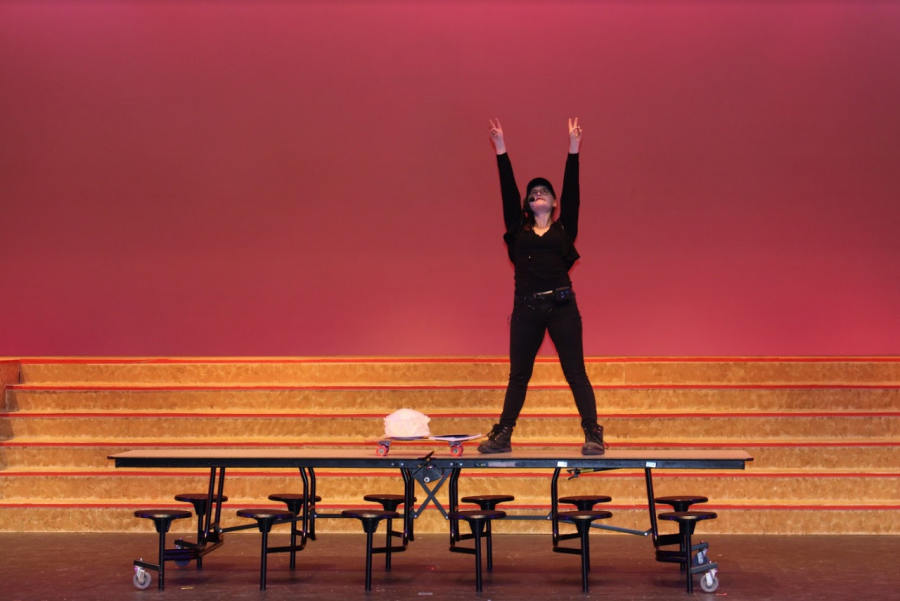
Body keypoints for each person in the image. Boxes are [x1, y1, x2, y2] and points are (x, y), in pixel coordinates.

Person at [477, 118, 606, 456]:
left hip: (563, 308)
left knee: (575, 372)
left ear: (553, 202)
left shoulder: (565, 229)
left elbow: (573, 193)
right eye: (533, 194)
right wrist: (501, 148)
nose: (538, 195)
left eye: (544, 192)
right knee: (518, 375)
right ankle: (503, 435)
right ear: (527, 204)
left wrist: (573, 150)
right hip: (526, 310)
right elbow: (508, 189)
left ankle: (593, 434)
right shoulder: (517, 231)